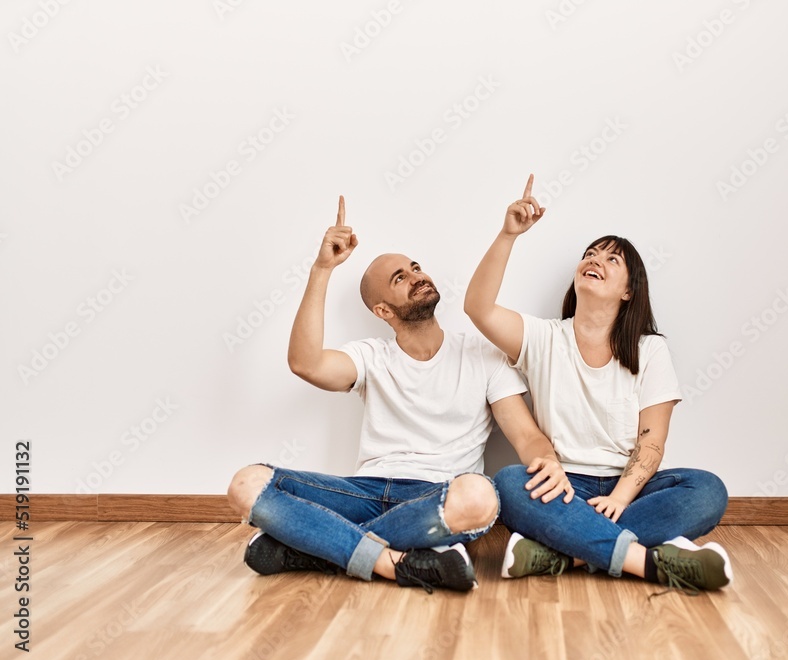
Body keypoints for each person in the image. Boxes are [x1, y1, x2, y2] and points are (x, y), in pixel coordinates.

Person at [227, 196, 573, 593]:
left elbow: (525, 435)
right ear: (383, 311)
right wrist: (323, 268)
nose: (416, 276)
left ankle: (315, 545)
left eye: (415, 268)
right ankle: (396, 564)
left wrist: (547, 460)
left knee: (480, 496)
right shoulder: (371, 357)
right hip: (364, 491)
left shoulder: (483, 354)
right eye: (400, 279)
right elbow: (305, 363)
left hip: (436, 496)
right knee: (246, 484)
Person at [463, 175, 732, 593]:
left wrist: (621, 498)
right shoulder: (543, 338)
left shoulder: (650, 350)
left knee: (707, 489)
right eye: (591, 254)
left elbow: (652, 442)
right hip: (563, 485)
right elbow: (477, 308)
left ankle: (563, 552)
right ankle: (645, 562)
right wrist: (507, 235)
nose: (596, 260)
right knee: (509, 484)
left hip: (630, 486)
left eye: (612, 260)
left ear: (629, 291)